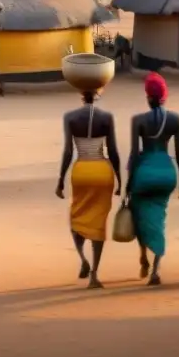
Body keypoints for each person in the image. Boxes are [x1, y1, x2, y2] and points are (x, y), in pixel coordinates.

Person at [56, 89, 122, 289]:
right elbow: (113, 151)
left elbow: (68, 151)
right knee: (98, 223)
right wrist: (119, 179)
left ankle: (83, 259)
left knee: (77, 217)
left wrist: (60, 179)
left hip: (82, 170)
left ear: (81, 94)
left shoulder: (70, 117)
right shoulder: (107, 117)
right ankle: (94, 274)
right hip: (102, 170)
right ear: (98, 92)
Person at [126, 73, 179, 286]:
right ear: (164, 96)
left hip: (144, 172)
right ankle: (156, 269)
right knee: (159, 217)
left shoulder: (138, 121)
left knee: (139, 214)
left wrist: (127, 183)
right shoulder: (175, 119)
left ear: (148, 96)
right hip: (166, 172)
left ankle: (143, 256)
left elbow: (134, 154)